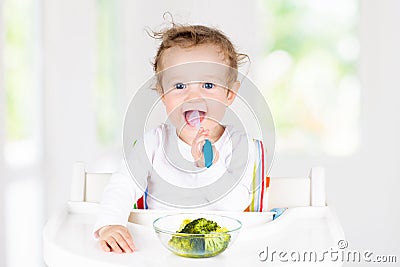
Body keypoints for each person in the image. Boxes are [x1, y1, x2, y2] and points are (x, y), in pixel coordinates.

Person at [94, 23, 262, 253]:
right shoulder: (153, 143)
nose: (193, 96)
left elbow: (234, 205)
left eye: (208, 85)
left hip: (224, 252)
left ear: (229, 93)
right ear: (163, 94)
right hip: (157, 249)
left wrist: (208, 166)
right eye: (180, 85)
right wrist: (110, 224)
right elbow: (122, 184)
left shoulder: (241, 145)